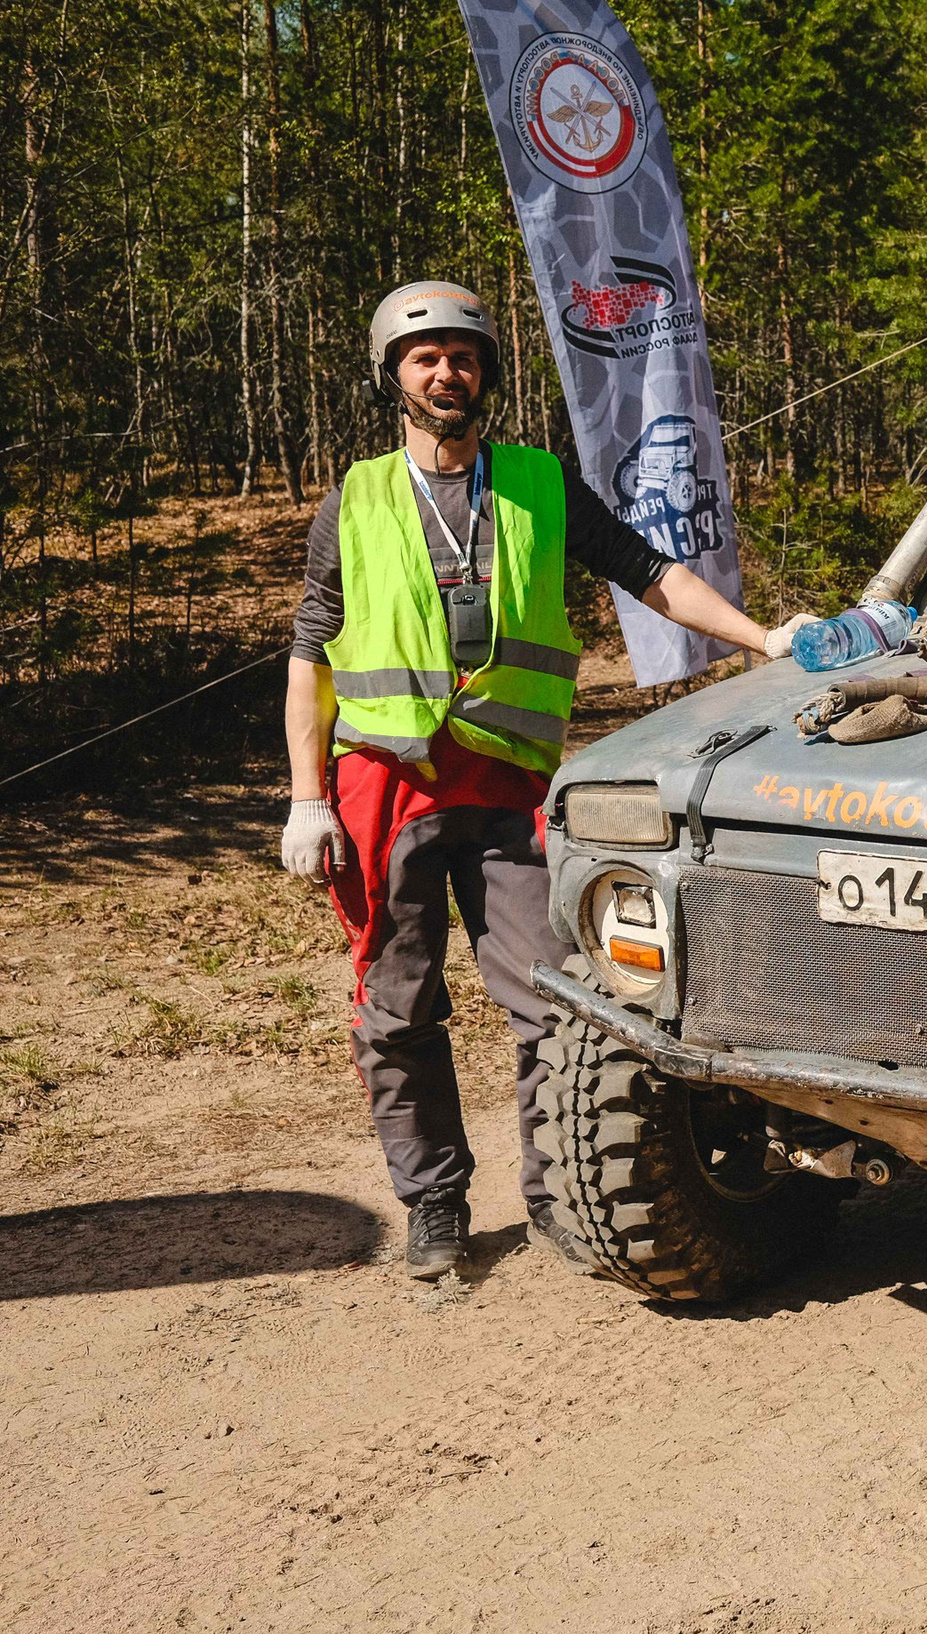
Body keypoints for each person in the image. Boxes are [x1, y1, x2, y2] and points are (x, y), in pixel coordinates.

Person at [280, 280, 817, 1280]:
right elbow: (311, 653)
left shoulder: (535, 482)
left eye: (464, 355)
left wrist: (761, 638)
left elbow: (651, 571)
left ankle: (556, 1196)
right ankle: (433, 1203)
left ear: (486, 372)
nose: (448, 372)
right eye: (425, 356)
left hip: (510, 787)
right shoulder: (352, 500)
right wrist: (307, 797)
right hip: (383, 786)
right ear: (392, 376)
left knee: (557, 1003)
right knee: (396, 1011)